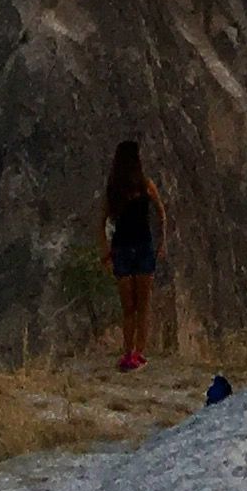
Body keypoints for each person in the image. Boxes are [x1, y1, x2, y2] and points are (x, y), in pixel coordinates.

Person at [101, 139, 166, 370]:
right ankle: (133, 351)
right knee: (136, 306)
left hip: (130, 248)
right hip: (135, 248)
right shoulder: (131, 187)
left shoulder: (137, 187)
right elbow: (161, 215)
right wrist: (161, 243)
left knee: (133, 307)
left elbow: (101, 223)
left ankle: (134, 352)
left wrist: (105, 251)